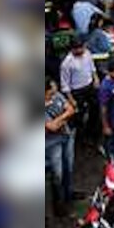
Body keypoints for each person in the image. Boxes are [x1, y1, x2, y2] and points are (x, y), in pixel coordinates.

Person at [45, 78, 76, 216]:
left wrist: (59, 120)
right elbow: (52, 127)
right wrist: (64, 117)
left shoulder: (56, 95)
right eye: (50, 91)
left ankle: (69, 194)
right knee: (57, 174)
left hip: (66, 136)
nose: (55, 91)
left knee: (68, 167)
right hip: (51, 144)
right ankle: (59, 207)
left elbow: (71, 109)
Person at [59, 37, 99, 143]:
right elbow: (65, 84)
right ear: (72, 49)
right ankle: (80, 138)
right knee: (78, 116)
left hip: (90, 86)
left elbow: (92, 67)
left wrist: (96, 78)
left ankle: (93, 133)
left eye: (81, 48)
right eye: (77, 49)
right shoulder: (66, 63)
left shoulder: (87, 53)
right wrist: (71, 99)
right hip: (77, 91)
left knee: (96, 109)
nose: (80, 51)